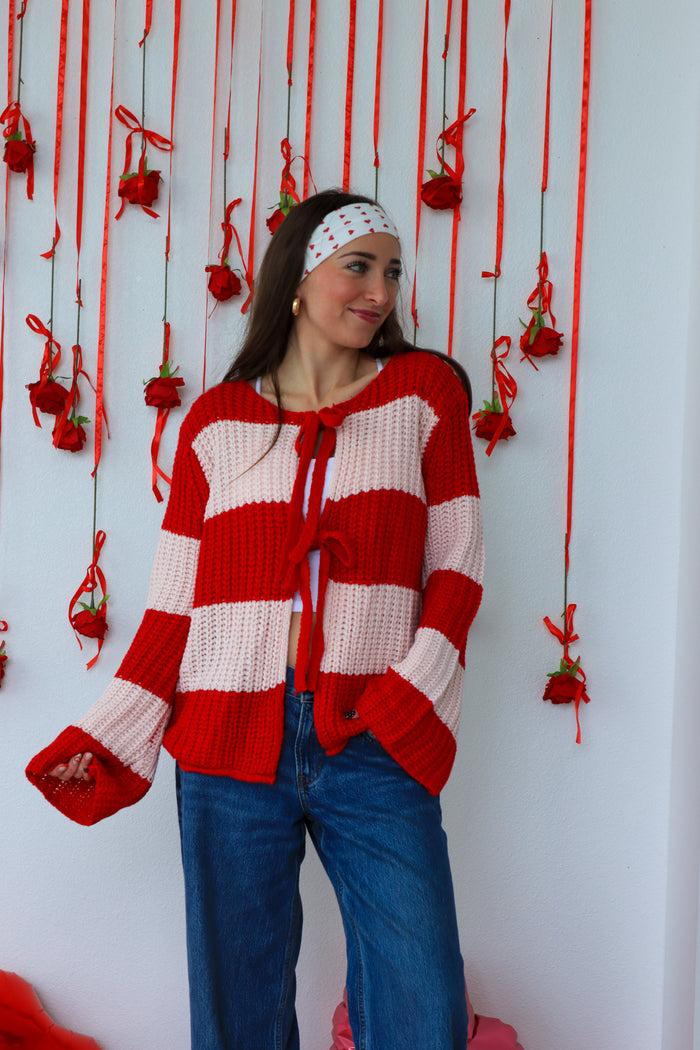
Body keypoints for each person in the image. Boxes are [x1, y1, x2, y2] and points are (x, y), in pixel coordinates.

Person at [27, 189, 484, 1050]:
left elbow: (457, 569)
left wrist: (402, 698)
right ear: (302, 278)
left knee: (422, 1006)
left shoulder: (424, 395)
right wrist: (109, 730)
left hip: (372, 734)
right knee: (238, 1013)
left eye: (391, 271)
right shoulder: (216, 424)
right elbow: (174, 609)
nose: (380, 291)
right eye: (359, 266)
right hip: (229, 740)